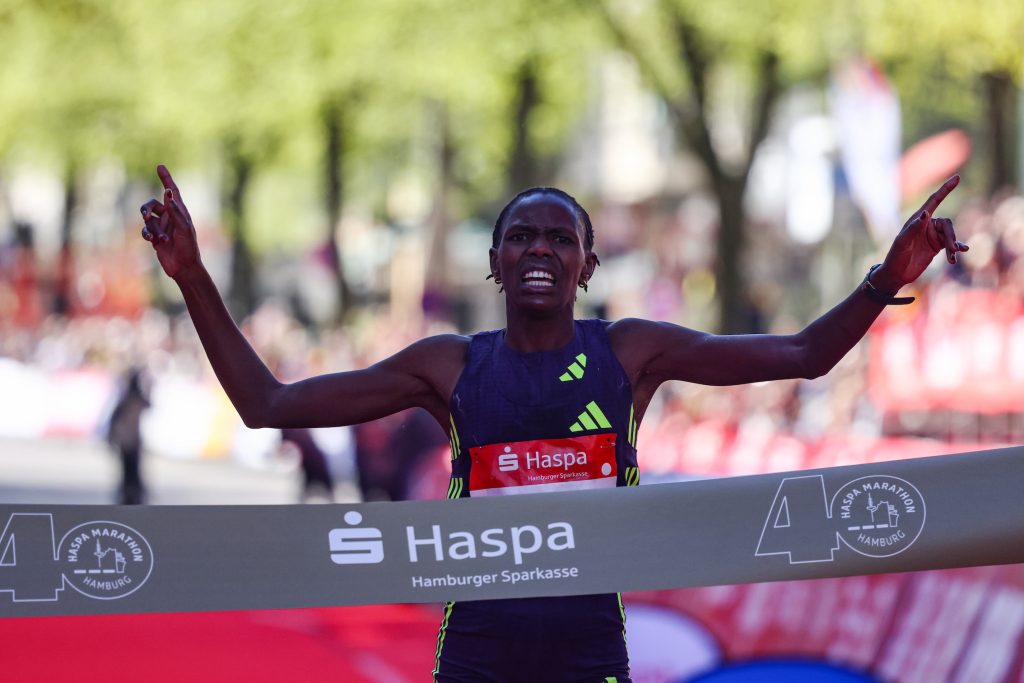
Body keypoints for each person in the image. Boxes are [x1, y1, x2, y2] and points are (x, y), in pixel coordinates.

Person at [141, 164, 964, 682]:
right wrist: (193, 277)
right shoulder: (448, 366)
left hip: (588, 652)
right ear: (495, 263)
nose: (540, 248)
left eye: (559, 238)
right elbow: (268, 404)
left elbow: (803, 353)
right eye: (521, 237)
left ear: (587, 265)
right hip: (477, 653)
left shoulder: (631, 352)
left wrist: (887, 275)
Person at [105, 366, 151, 505]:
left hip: (130, 441)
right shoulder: (130, 399)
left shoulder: (128, 399)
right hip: (130, 441)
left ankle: (132, 493)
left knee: (131, 470)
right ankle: (131, 494)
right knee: (130, 470)